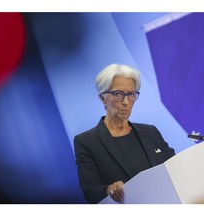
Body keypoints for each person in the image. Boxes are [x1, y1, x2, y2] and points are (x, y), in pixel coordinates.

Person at [74, 63, 175, 204]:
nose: (126, 102)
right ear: (103, 98)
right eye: (118, 94)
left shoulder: (151, 132)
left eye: (131, 94)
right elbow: (91, 192)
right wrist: (109, 190)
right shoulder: (86, 142)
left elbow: (174, 169)